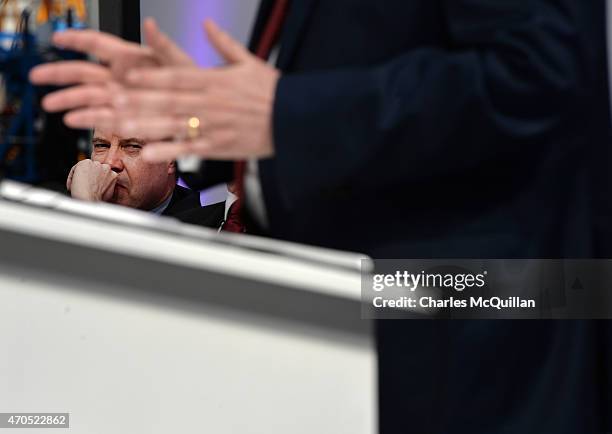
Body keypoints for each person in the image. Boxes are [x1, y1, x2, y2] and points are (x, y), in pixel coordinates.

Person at [29, 1, 611, 433]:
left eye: (132, 146)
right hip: (357, 335)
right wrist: (203, 117)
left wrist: (286, 114)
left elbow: (539, 71)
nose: (113, 161)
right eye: (107, 147)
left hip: (471, 331)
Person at [67, 128, 225, 228]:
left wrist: (86, 206)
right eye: (102, 146)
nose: (110, 162)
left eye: (132, 147)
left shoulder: (204, 230)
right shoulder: (54, 203)